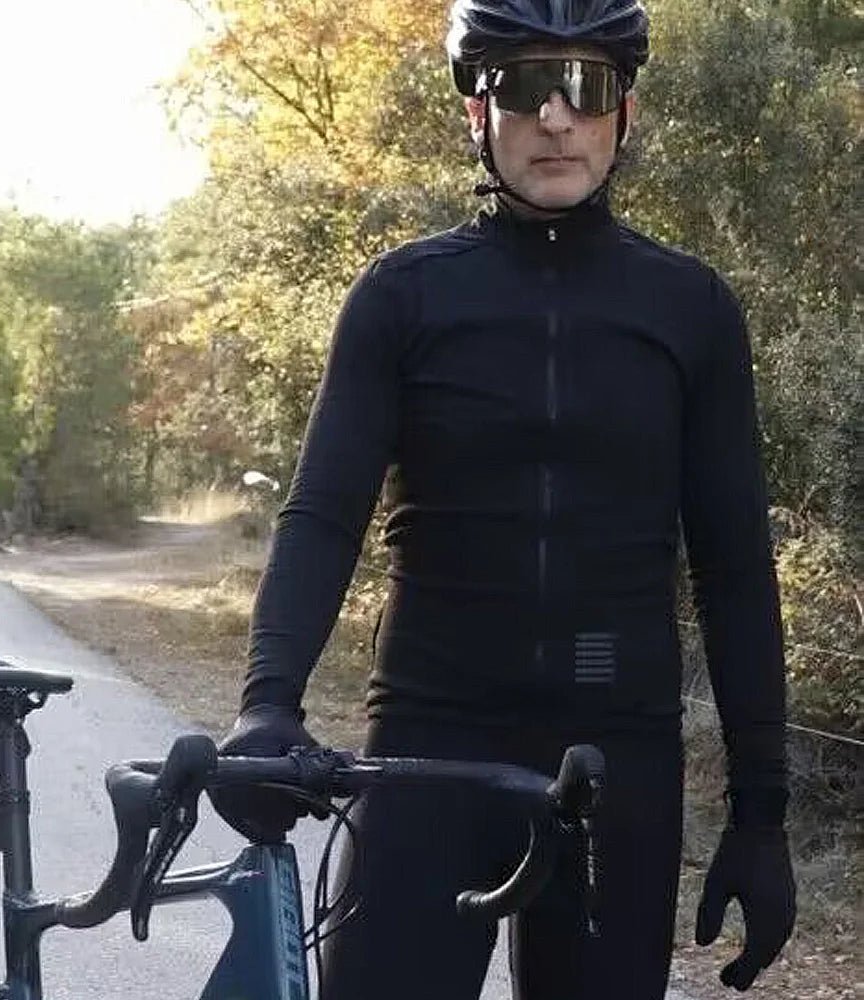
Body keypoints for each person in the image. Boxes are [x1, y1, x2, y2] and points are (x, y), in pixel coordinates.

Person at [213, 1, 796, 997]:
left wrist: (761, 813)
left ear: (624, 112)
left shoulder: (690, 309)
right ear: (477, 111)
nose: (556, 118)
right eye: (526, 87)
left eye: (586, 86)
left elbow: (734, 567)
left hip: (616, 758)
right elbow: (322, 515)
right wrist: (267, 705)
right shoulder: (402, 296)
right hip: (430, 740)